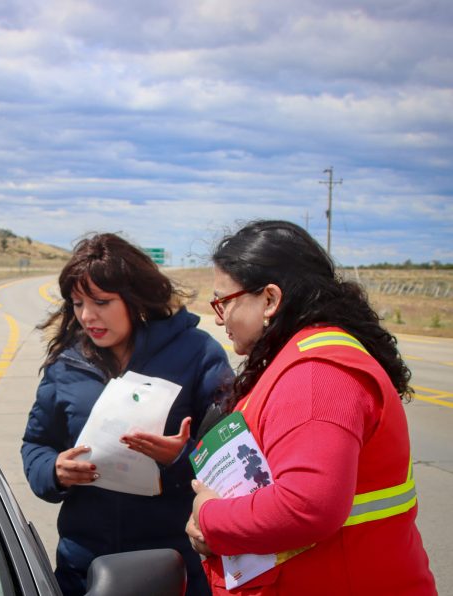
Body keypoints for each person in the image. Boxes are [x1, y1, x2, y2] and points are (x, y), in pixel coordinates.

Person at [185, 220, 436, 595]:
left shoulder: (317, 374)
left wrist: (210, 517)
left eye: (224, 303)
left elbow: (306, 507)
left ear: (270, 299)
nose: (220, 319)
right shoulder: (300, 358)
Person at [21, 232, 233, 596]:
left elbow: (232, 458)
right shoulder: (67, 363)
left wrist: (179, 457)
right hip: (84, 567)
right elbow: (36, 444)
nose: (87, 316)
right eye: (76, 303)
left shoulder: (198, 355)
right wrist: (54, 471)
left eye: (101, 302)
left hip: (173, 564)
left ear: (135, 299)